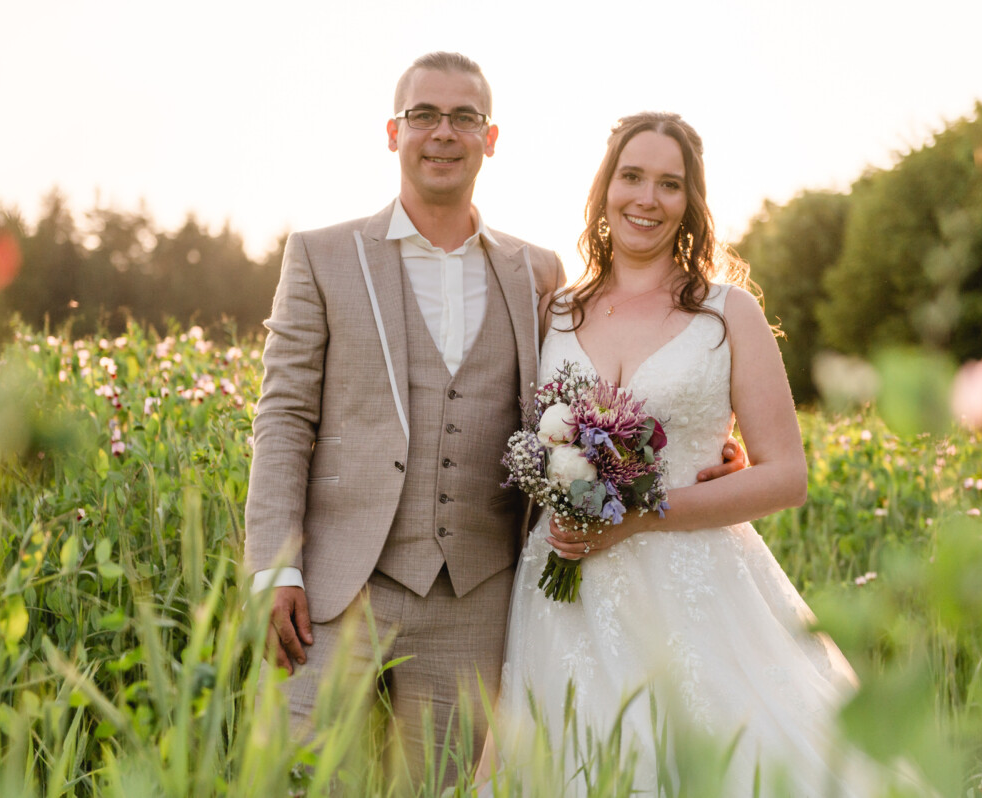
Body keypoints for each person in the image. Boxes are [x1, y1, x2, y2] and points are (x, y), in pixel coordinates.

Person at [244, 53, 751, 788]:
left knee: (446, 786)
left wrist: (693, 453)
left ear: (491, 138)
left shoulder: (538, 273)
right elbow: (284, 416)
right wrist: (274, 567)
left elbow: (588, 396)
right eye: (424, 115)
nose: (443, 133)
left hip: (477, 596)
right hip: (333, 592)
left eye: (464, 117)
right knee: (299, 780)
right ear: (392, 131)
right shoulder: (322, 256)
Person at [492, 112, 875, 796]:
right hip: (562, 593)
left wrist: (641, 515)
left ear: (690, 201)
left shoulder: (727, 314)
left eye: (669, 184)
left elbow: (786, 477)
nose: (647, 198)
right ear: (605, 188)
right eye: (632, 176)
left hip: (694, 589)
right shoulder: (555, 310)